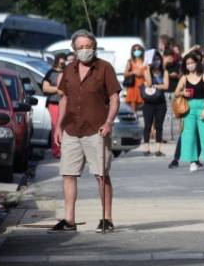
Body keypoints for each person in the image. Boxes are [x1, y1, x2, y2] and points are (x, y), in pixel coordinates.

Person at [50, 30, 120, 233]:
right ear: (74, 49)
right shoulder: (69, 70)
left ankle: (106, 218)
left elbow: (114, 98)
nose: (84, 51)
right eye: (80, 47)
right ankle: (69, 220)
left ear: (94, 47)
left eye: (88, 46)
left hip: (96, 130)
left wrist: (109, 122)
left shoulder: (105, 68)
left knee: (101, 174)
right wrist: (58, 126)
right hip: (72, 129)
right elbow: (64, 99)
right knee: (68, 174)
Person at [174, 52, 204, 172]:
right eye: (187, 63)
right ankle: (193, 161)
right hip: (189, 108)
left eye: (192, 63)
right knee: (189, 135)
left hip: (202, 106)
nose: (190, 65)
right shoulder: (184, 78)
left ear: (196, 63)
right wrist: (183, 93)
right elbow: (176, 93)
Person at [142, 50, 169, 156]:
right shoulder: (147, 71)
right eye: (154, 59)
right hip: (148, 102)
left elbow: (166, 86)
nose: (156, 61)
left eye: (158, 59)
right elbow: (148, 83)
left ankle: (158, 149)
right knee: (147, 125)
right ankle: (146, 148)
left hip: (161, 102)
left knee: (159, 125)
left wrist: (156, 86)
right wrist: (148, 68)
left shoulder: (164, 72)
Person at [42, 52, 67, 159]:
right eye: (60, 60)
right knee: (56, 127)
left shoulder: (67, 72)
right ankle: (56, 150)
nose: (62, 63)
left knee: (64, 128)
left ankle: (64, 150)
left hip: (67, 103)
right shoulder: (51, 73)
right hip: (54, 104)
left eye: (64, 60)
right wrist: (58, 89)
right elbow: (45, 88)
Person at [124, 44, 146, 111]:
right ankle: (134, 118)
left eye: (138, 49)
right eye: (135, 50)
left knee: (145, 104)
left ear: (141, 51)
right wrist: (133, 72)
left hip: (143, 85)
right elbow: (125, 74)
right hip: (133, 86)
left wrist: (142, 74)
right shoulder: (130, 61)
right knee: (133, 106)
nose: (136, 51)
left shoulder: (145, 61)